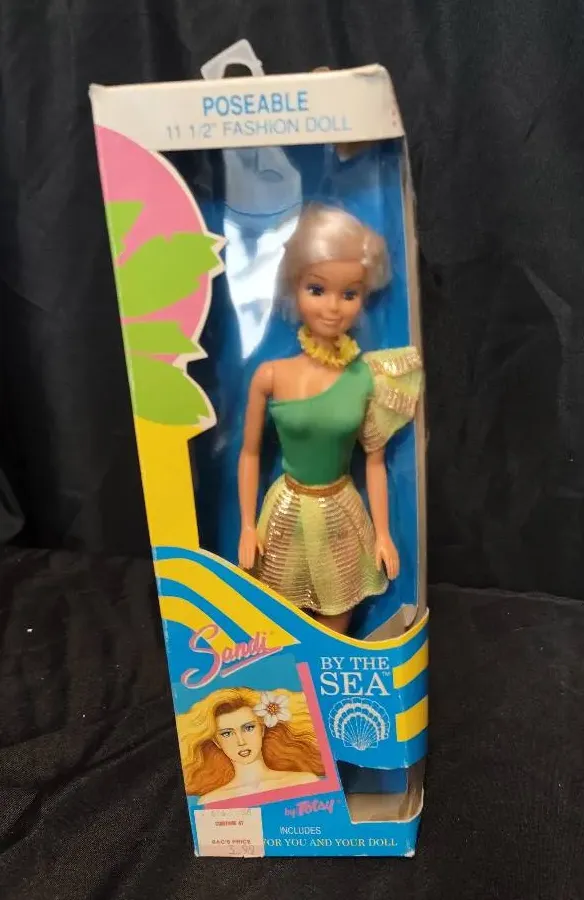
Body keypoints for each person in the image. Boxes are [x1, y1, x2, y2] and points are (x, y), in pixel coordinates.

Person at [237, 204, 423, 634]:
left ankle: (325, 666)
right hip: (285, 512)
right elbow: (249, 454)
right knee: (278, 611)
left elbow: (374, 462)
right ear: (294, 287)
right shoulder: (270, 376)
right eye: (317, 289)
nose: (333, 308)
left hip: (341, 512)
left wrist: (383, 534)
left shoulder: (368, 378)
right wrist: (247, 525)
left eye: (350, 294)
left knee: (338, 608)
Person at [177, 687, 324, 803]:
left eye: (248, 728)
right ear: (216, 742)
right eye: (227, 733)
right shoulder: (211, 800)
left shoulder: (303, 782)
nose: (241, 741)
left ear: (262, 729)